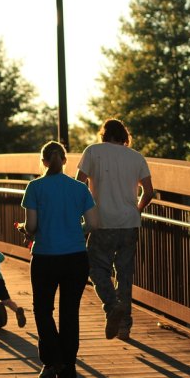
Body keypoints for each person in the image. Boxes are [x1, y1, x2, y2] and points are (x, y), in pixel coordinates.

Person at [18, 141, 99, 378]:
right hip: (76, 257)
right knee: (69, 313)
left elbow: (31, 226)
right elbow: (93, 224)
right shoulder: (79, 188)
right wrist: (75, 229)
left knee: (43, 310)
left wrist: (26, 230)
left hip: (45, 257)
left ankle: (54, 359)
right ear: (65, 161)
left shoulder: (34, 187)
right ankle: (68, 370)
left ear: (43, 161)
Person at [76, 118, 154, 341]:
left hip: (102, 221)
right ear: (124, 137)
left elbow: (79, 184)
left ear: (104, 135)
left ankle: (112, 306)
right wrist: (137, 209)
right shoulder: (137, 157)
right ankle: (124, 328)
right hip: (129, 223)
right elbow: (149, 192)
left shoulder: (93, 152)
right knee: (125, 273)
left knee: (95, 268)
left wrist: (83, 212)